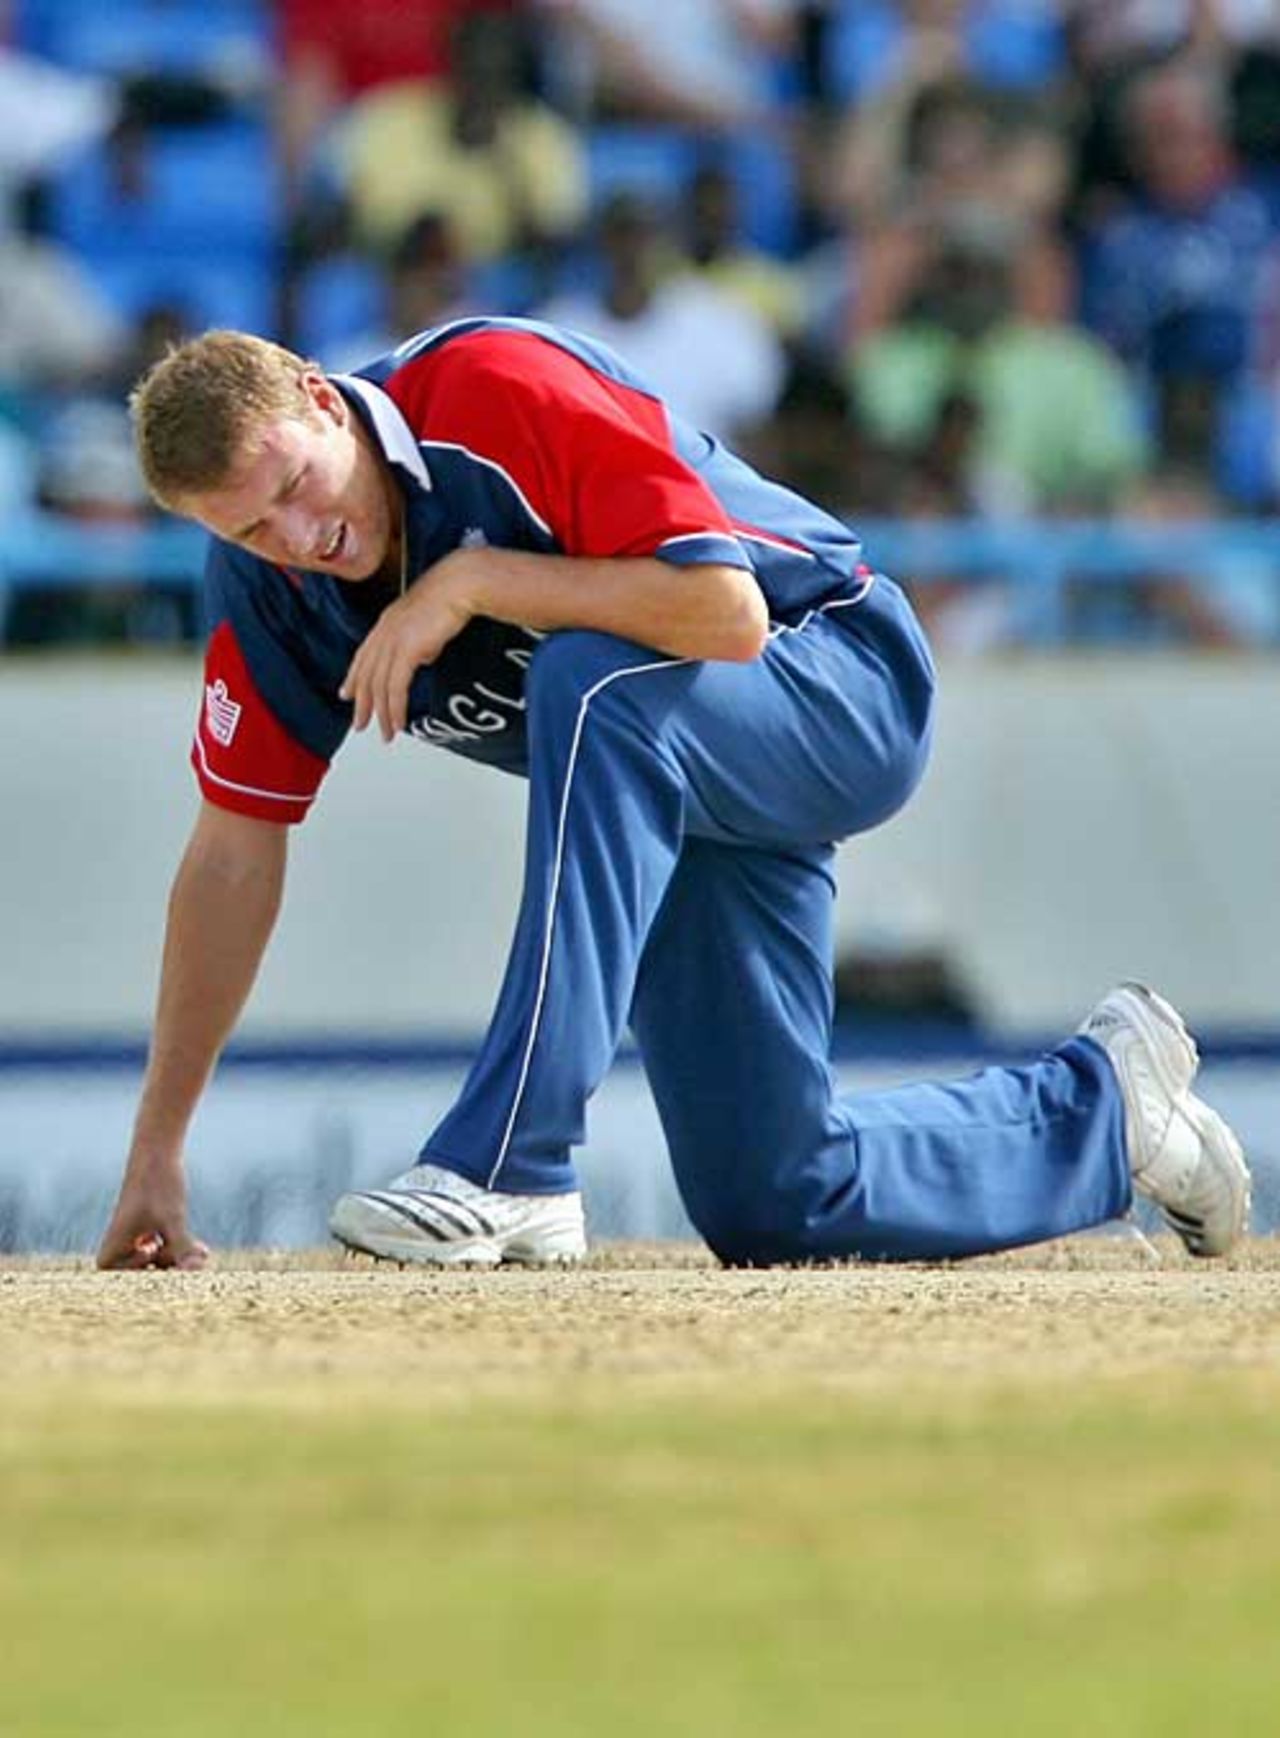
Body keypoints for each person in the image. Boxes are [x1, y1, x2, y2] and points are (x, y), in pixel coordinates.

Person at [96, 317, 1251, 1271]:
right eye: (250, 526)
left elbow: (725, 617)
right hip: (682, 775)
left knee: (583, 676)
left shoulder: (495, 390)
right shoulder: (266, 586)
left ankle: (511, 1161)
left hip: (833, 674)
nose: (300, 536)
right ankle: (1108, 1106)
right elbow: (231, 853)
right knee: (774, 1199)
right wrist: (158, 1147)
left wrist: (479, 578)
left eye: (295, 485)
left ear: (319, 396)